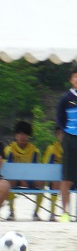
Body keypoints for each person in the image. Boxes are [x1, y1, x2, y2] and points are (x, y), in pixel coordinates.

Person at [3, 121, 43, 221]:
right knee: (9, 182)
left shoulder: (34, 150)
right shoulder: (10, 149)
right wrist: (20, 179)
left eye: (25, 134)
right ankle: (11, 212)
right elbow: (8, 168)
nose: (22, 136)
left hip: (29, 178)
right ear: (15, 135)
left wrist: (26, 179)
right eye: (20, 134)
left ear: (29, 136)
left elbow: (36, 169)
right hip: (15, 178)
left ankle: (36, 213)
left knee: (41, 183)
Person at [55, 64, 77, 223]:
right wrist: (67, 133)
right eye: (75, 76)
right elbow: (60, 119)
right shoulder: (66, 98)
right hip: (71, 139)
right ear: (71, 79)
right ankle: (64, 213)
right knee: (67, 178)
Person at [43, 126, 64, 222]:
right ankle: (52, 213)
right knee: (56, 182)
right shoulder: (52, 148)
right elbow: (46, 165)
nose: (62, 135)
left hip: (71, 179)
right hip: (56, 179)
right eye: (60, 133)